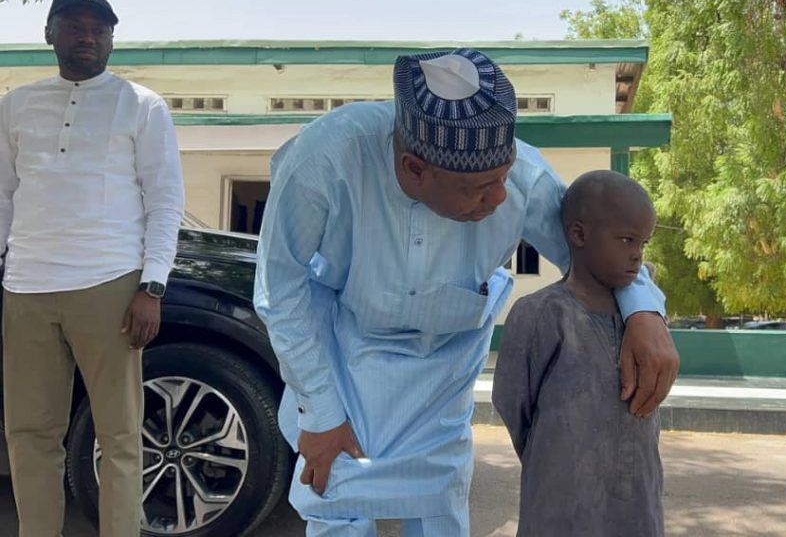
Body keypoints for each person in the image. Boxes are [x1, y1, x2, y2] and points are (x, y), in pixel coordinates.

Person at [254, 48, 679, 536]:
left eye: (504, 175)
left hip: (442, 369)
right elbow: (280, 288)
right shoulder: (325, 160)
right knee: (337, 508)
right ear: (415, 169)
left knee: (438, 513)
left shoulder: (523, 180)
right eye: (478, 187)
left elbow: (592, 250)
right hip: (346, 357)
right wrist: (321, 412)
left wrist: (645, 313)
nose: (499, 197)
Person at [0, 0, 185, 537]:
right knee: (29, 433)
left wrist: (152, 285)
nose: (88, 36)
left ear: (111, 39)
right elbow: (3, 196)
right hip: (27, 287)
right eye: (75, 26)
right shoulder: (15, 106)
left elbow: (164, 200)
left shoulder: (141, 105)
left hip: (109, 284)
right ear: (50, 33)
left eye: (99, 29)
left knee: (120, 435)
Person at [493, 170, 664, 537]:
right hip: (558, 505)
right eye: (626, 239)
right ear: (579, 235)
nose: (637, 255)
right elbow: (514, 404)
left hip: (637, 504)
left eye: (643, 243)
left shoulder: (642, 323)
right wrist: (557, 454)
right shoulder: (542, 313)